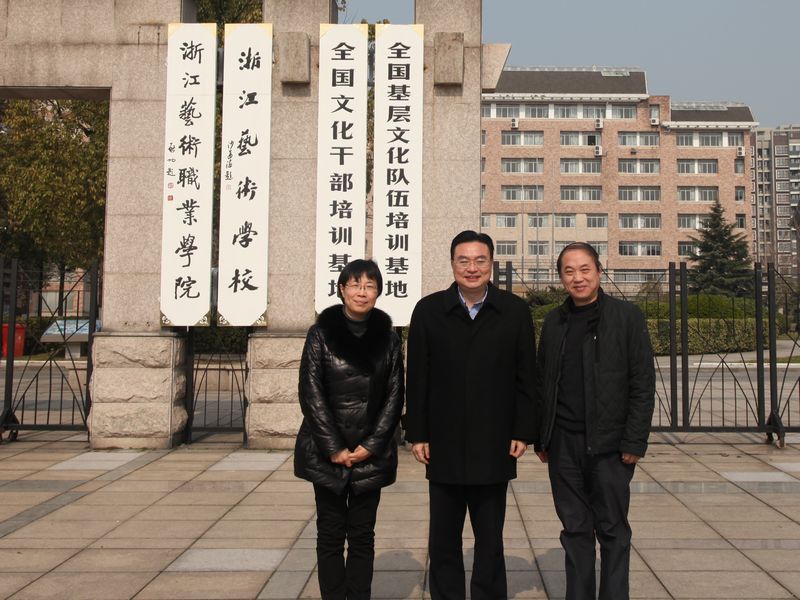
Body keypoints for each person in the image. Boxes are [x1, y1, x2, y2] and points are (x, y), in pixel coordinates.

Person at [405, 230, 537, 600]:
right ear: (452, 264)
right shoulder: (429, 311)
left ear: (491, 264)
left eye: (480, 260)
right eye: (463, 260)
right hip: (443, 443)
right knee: (443, 538)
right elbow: (417, 378)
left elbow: (527, 377)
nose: (472, 268)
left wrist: (523, 430)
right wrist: (417, 432)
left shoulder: (514, 311)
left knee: (490, 538)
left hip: (494, 442)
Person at [534, 242, 655, 600]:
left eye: (585, 269)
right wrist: (543, 437)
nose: (578, 277)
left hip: (611, 447)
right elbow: (543, 382)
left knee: (613, 530)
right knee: (575, 530)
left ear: (599, 272)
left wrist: (634, 441)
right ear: (561, 277)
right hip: (564, 445)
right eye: (569, 271)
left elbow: (642, 383)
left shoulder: (626, 317)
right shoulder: (554, 322)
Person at [294, 259, 404, 600]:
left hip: (370, 453)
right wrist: (334, 448)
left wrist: (371, 445)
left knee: (362, 536)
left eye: (370, 286)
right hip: (326, 451)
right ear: (342, 289)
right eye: (355, 285)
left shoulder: (389, 338)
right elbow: (310, 392)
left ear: (379, 292)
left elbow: (395, 395)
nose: (362, 292)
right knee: (329, 534)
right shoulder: (320, 334)